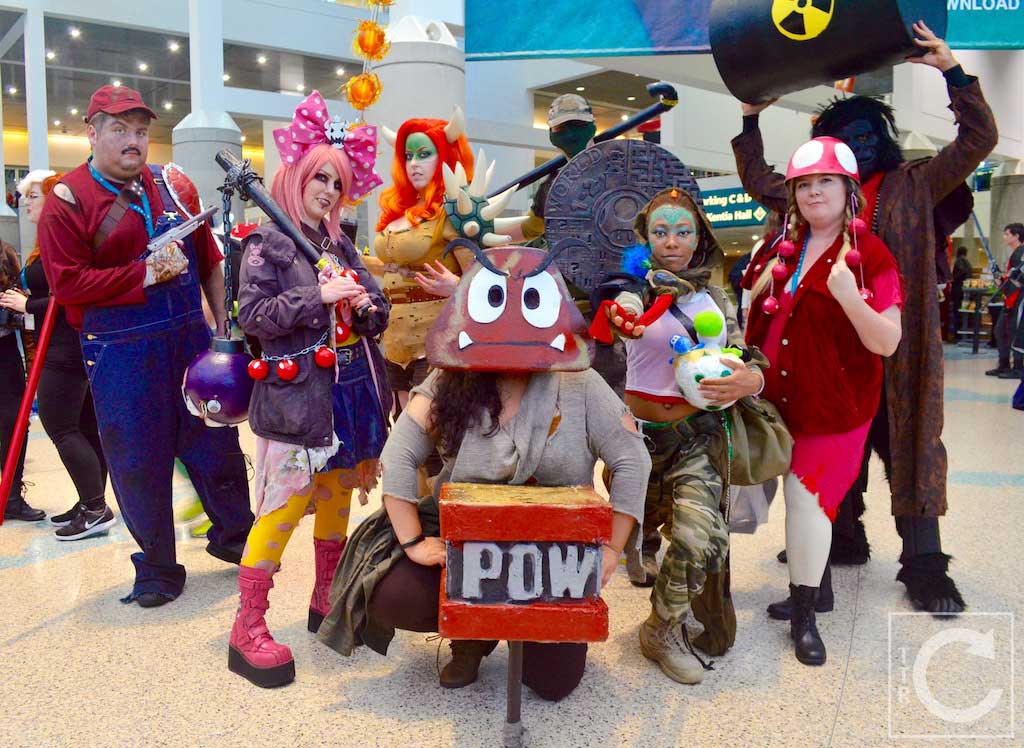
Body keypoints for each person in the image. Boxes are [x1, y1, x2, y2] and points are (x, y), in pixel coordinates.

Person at [732, 21, 997, 614]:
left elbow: (978, 139)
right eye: (841, 137)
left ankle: (925, 565)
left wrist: (953, 73)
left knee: (912, 445)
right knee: (829, 441)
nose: (857, 142)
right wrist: (750, 119)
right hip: (831, 354)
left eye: (866, 133)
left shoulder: (916, 184)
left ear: (883, 138)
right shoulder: (814, 194)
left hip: (902, 348)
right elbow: (759, 180)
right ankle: (841, 538)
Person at [317, 243, 649, 702]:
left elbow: (633, 459)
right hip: (465, 545)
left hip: (553, 555)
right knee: (394, 594)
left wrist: (610, 548)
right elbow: (401, 453)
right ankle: (471, 637)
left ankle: (514, 628)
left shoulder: (579, 382)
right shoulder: (449, 377)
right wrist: (413, 542)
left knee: (553, 684)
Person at [38, 85, 254, 606]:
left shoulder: (174, 184)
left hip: (190, 340)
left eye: (140, 130)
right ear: (93, 133)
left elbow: (209, 260)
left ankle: (236, 537)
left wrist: (223, 331)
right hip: (120, 352)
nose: (132, 140)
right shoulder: (67, 201)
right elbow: (67, 285)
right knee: (138, 458)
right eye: (119, 129)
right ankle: (157, 568)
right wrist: (145, 274)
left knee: (215, 441)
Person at [226, 91, 390, 689]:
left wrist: (367, 305)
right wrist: (317, 297)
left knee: (337, 497)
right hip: (296, 399)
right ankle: (246, 627)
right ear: (296, 176)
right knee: (282, 508)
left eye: (338, 182)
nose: (328, 190)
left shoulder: (338, 244)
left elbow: (378, 311)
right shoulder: (268, 242)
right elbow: (253, 316)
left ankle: (326, 598)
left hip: (348, 396)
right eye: (320, 176)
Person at [591, 187, 767, 683]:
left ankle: (662, 628)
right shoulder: (635, 290)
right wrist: (621, 316)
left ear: (699, 238)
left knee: (698, 537)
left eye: (683, 231)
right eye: (661, 231)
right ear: (647, 238)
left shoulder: (717, 298)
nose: (672, 241)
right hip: (639, 444)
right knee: (621, 532)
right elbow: (622, 316)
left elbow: (744, 354)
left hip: (698, 437)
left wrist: (751, 380)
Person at [743, 137, 903, 665]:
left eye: (826, 181)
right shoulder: (781, 249)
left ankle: (805, 617)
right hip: (775, 399)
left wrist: (850, 297)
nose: (814, 192)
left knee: (806, 501)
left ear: (848, 190)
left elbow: (887, 342)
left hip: (835, 406)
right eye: (804, 184)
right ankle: (817, 588)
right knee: (794, 504)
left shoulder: (870, 256)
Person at [0, 171, 115, 540]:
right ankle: (90, 501)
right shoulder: (51, 239)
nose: (26, 203)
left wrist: (27, 306)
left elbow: (72, 292)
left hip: (64, 347)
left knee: (61, 427)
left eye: (33, 195)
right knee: (82, 426)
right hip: (66, 344)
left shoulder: (63, 238)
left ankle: (95, 508)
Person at [0, 236, 45, 522]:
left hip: (4, 352)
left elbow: (18, 311)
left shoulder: (4, 252)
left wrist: (19, 307)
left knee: (13, 424)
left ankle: (12, 496)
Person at [987, 223, 1024, 378]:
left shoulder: (1021, 253)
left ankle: (1018, 368)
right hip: (1010, 300)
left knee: (1015, 333)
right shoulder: (1015, 254)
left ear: (1016, 236)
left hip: (1019, 300)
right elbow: (1011, 279)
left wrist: (1007, 282)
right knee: (1000, 331)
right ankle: (1004, 365)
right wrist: (1000, 278)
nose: (1004, 237)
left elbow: (1018, 280)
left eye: (1007, 234)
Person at [950, 245, 972, 338]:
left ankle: (957, 334)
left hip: (958, 290)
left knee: (957, 312)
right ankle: (963, 333)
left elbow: (960, 272)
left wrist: (952, 278)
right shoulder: (967, 262)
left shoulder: (960, 261)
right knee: (963, 312)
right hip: (965, 290)